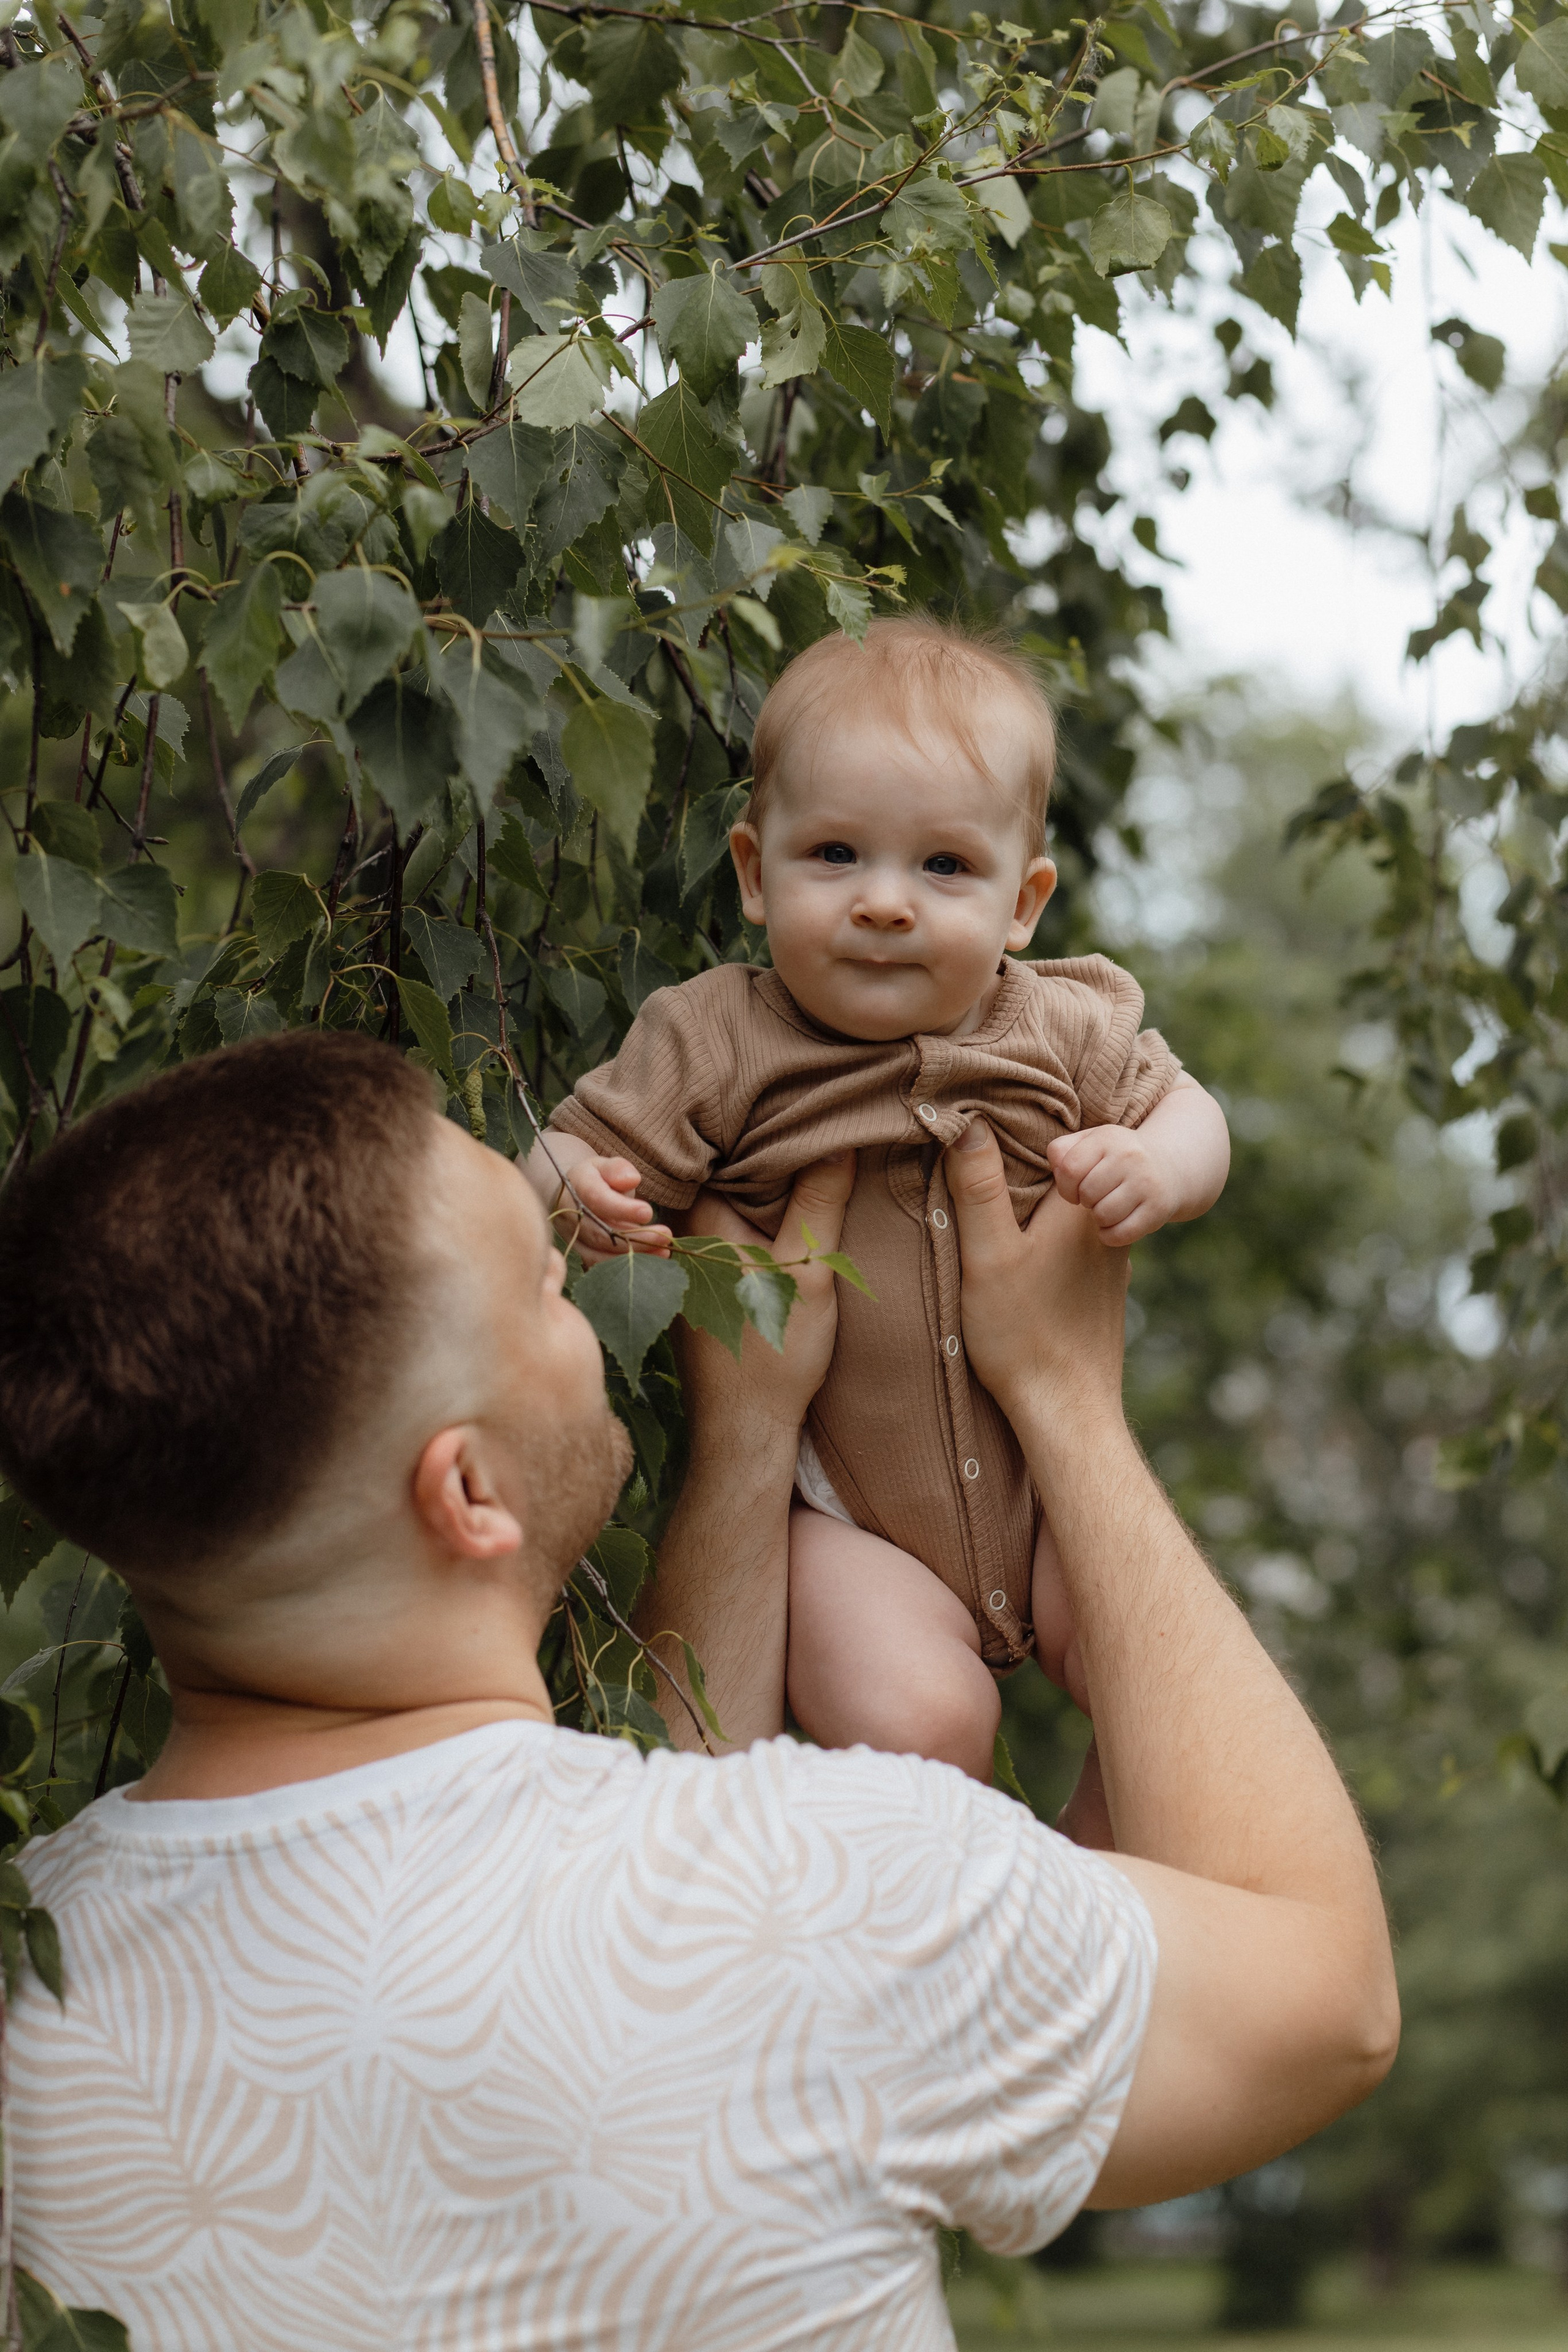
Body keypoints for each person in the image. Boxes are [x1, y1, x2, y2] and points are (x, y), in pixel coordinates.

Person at [0, 1031, 1395, 2350]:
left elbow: (622, 1839)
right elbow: (1324, 2002)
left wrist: (749, 1442)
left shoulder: (26, 1981)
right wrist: (1065, 1393)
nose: (593, 1305)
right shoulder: (841, 1897)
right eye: (545, 1290)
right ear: (467, 1492)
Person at [529, 619, 1231, 1779]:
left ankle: (1101, 1865)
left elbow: (1195, 1113)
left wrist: (1160, 1169)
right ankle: (919, 1869)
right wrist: (577, 1194)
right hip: (847, 1520)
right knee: (922, 1723)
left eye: (944, 866)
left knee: (1163, 1682)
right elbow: (564, 1149)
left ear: (1023, 903)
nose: (887, 903)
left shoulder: (1064, 1024)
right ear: (756, 873)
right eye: (837, 855)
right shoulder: (717, 1038)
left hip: (1046, 1497)